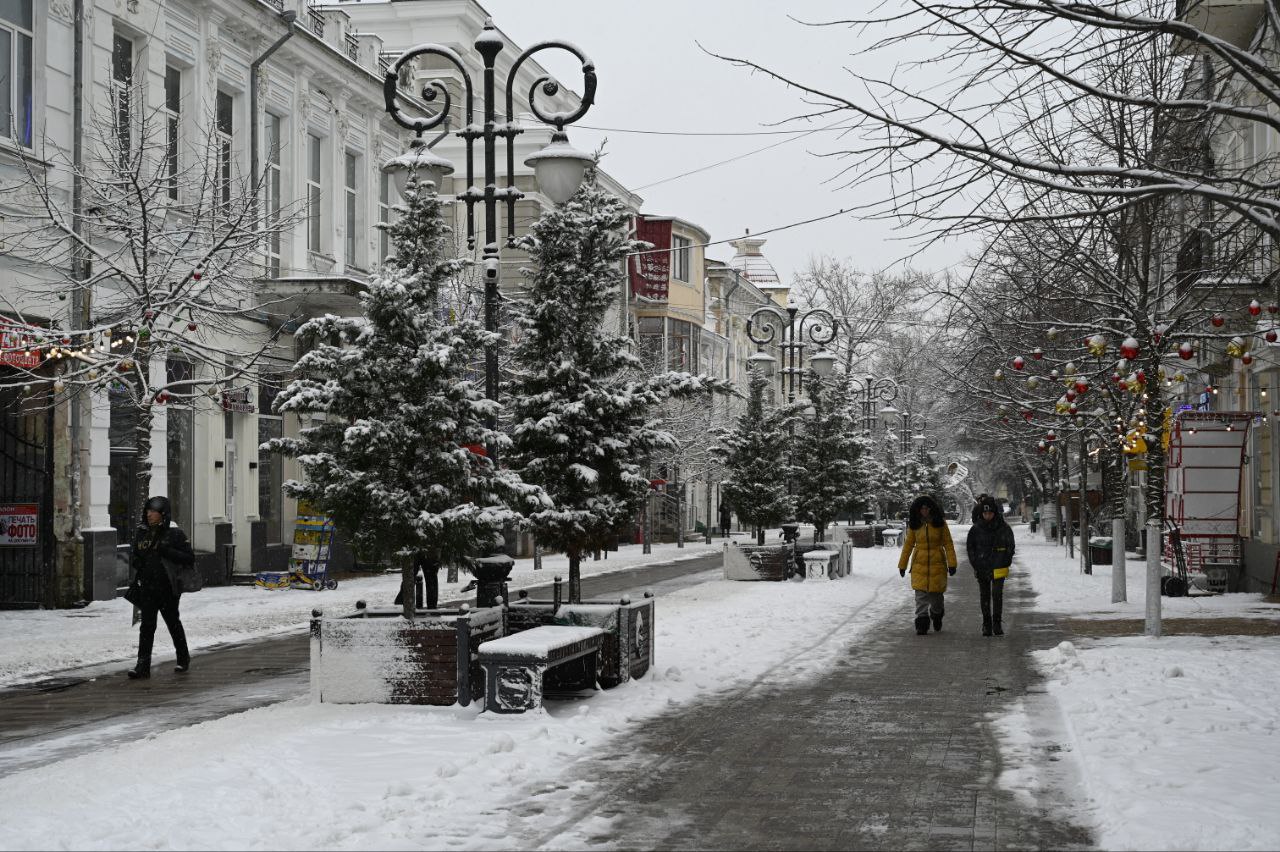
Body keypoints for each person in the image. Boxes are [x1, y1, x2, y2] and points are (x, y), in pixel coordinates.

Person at [127, 495, 193, 679]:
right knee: (147, 627)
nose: (149, 515)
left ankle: (183, 658)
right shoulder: (142, 532)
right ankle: (142, 666)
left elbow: (189, 558)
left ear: (163, 514)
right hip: (148, 587)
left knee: (173, 623)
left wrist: (166, 551)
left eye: (153, 512)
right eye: (147, 511)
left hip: (168, 588)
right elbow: (135, 554)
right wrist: (137, 561)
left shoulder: (175, 534)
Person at [896, 494, 958, 635]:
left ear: (931, 509)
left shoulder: (940, 523)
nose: (924, 511)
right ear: (918, 510)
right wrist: (902, 565)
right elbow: (908, 545)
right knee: (921, 596)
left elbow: (948, 543)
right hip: (919, 564)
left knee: (936, 598)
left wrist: (952, 563)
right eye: (922, 508)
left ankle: (937, 614)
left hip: (937, 564)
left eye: (926, 508)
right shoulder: (915, 525)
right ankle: (922, 622)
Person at [966, 494, 1015, 637]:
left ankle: (997, 623)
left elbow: (1010, 546)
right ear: (982, 513)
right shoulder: (976, 529)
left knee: (997, 594)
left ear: (995, 513)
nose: (988, 516)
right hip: (982, 567)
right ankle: (986, 624)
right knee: (985, 595)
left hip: (999, 566)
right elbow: (970, 548)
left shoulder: (1003, 528)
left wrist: (1006, 560)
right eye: (985, 513)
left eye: (990, 513)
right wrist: (975, 563)